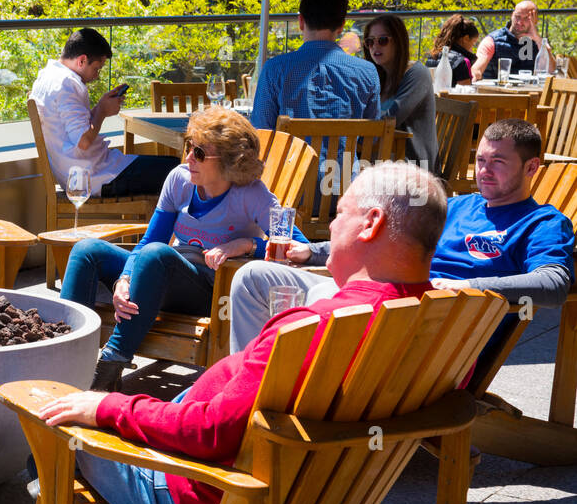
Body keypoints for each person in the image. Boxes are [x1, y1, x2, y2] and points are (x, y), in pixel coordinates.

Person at [36, 163, 446, 504]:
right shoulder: (437, 321)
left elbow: (211, 433)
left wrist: (107, 406)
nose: (332, 228)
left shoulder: (312, 329)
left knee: (56, 416)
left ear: (371, 223)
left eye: (339, 215)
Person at [228, 119, 574, 353]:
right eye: (480, 159)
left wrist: (463, 288)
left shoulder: (542, 223)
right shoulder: (455, 206)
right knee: (255, 277)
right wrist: (312, 252)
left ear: (531, 168)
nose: (483, 171)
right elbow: (386, 239)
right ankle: (251, 389)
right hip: (386, 300)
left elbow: (554, 284)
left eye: (497, 162)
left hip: (436, 331)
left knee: (322, 294)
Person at [59, 107, 304, 392]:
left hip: (209, 291)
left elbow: (299, 249)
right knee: (87, 251)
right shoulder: (179, 180)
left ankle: (110, 366)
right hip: (157, 278)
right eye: (189, 146)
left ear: (228, 161)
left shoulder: (252, 195)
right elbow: (150, 239)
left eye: (199, 153)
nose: (189, 157)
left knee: (157, 255)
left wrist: (248, 245)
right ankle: (64, 353)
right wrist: (125, 279)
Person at [29, 27, 180, 198]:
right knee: (178, 171)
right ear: (82, 61)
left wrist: (101, 106)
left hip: (79, 172)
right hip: (94, 177)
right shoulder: (67, 84)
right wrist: (101, 111)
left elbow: (70, 130)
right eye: (96, 69)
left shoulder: (46, 77)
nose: (97, 76)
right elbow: (83, 141)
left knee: (173, 167)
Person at [250, 0, 381, 129]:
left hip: (295, 152)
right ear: (341, 26)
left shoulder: (274, 69)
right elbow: (372, 136)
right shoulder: (367, 72)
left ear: (301, 21)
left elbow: (261, 130)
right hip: (344, 152)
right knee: (347, 153)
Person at [363, 14, 437, 171]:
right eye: (370, 42)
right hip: (384, 159)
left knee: (337, 175)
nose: (375, 46)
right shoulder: (379, 77)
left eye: (382, 40)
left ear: (398, 41)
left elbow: (391, 118)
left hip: (413, 166)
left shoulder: (417, 74)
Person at [472, 0, 553, 82]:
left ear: (535, 20)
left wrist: (538, 39)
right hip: (497, 92)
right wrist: (475, 75)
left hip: (529, 93)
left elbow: (552, 71)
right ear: (512, 15)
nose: (519, 22)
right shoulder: (493, 40)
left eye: (526, 18)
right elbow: (476, 68)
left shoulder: (537, 43)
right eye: (517, 16)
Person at [426, 14, 480, 86]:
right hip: (448, 97)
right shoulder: (462, 62)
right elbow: (465, 94)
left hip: (432, 97)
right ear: (466, 39)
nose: (472, 48)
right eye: (473, 43)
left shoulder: (432, 57)